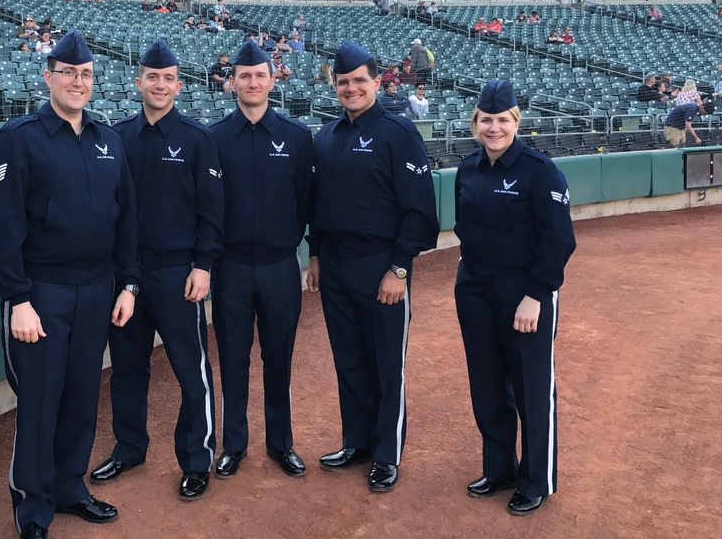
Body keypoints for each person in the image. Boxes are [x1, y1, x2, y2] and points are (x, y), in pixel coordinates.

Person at [0, 30, 139, 539]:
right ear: (48, 76)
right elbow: (2, 227)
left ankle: (70, 486)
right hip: (42, 292)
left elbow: (127, 220)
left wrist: (128, 284)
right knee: (39, 401)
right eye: (68, 72)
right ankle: (32, 506)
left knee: (80, 395)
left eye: (86, 74)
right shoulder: (20, 136)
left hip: (98, 289)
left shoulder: (107, 138)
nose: (77, 81)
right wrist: (19, 298)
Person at [90, 39, 223, 502]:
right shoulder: (115, 138)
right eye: (152, 76)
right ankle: (129, 447)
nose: (160, 84)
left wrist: (203, 266)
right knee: (127, 368)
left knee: (192, 370)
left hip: (177, 273)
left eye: (168, 78)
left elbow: (212, 212)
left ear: (179, 85)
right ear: (138, 81)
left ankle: (197, 458)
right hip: (126, 276)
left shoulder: (197, 139)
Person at [306, 41, 439, 493]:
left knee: (386, 365)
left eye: (360, 80)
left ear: (377, 83)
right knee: (349, 359)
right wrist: (317, 255)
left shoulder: (399, 134)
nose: (351, 88)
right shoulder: (325, 137)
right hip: (337, 266)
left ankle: (386, 454)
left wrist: (400, 268)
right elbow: (318, 207)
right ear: (334, 86)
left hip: (381, 265)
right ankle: (357, 442)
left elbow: (420, 211)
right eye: (343, 82)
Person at [454, 79, 576, 516]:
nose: (494, 128)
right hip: (475, 289)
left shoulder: (539, 169)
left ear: (516, 121)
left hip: (525, 292)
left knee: (531, 387)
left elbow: (559, 239)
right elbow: (464, 228)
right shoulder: (468, 169)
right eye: (486, 120)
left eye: (502, 120)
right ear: (475, 123)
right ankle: (500, 468)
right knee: (487, 385)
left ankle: (536, 479)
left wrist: (536, 295)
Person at [208, 40, 314, 481]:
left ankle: (280, 443)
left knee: (279, 357)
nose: (252, 82)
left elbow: (307, 203)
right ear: (232, 82)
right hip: (229, 267)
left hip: (279, 267)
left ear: (273, 79)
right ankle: (234, 444)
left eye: (260, 74)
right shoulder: (212, 138)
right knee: (233, 359)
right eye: (244, 75)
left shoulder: (296, 137)